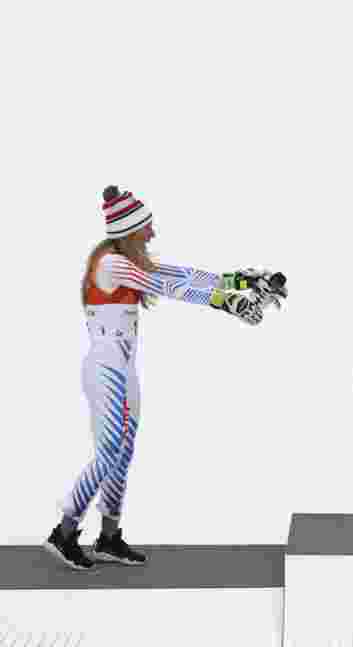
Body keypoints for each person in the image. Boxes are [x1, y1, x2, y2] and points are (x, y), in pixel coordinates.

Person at [44, 185, 287, 571]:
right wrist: (227, 303)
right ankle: (64, 532)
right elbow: (166, 287)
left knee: (122, 456)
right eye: (146, 227)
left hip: (124, 371)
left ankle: (108, 537)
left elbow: (186, 275)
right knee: (108, 454)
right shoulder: (110, 263)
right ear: (129, 231)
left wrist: (243, 281)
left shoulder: (130, 261)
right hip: (106, 370)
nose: (152, 232)